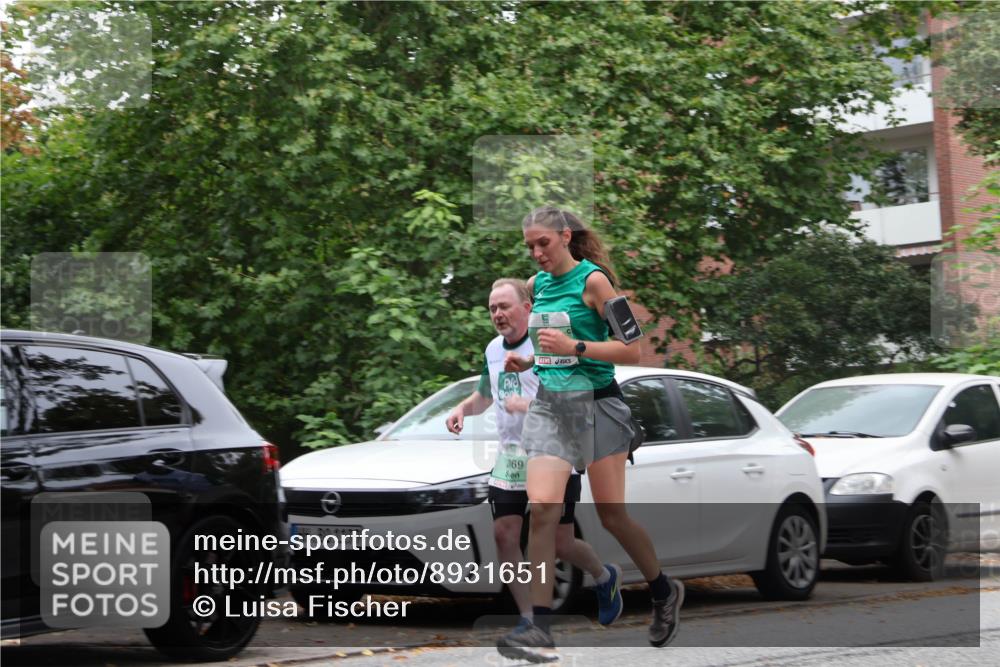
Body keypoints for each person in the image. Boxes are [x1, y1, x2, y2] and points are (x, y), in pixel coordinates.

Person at [496, 206, 684, 662]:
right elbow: (550, 352)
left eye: (544, 243)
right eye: (530, 246)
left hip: (598, 405)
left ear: (565, 236)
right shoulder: (537, 287)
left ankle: (662, 591)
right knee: (542, 511)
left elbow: (633, 350)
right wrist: (529, 362)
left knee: (612, 515)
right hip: (552, 409)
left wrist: (576, 346)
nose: (537, 253)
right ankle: (539, 629)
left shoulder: (594, 283)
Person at [445, 278, 624, 636]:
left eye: (505, 306)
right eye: (493, 308)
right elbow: (485, 393)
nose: (498, 314)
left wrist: (529, 404)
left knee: (561, 542)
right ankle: (528, 618)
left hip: (554, 451)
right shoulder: (493, 350)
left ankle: (605, 577)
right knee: (504, 534)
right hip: (512, 456)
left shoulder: (549, 346)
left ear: (527, 309)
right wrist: (463, 409)